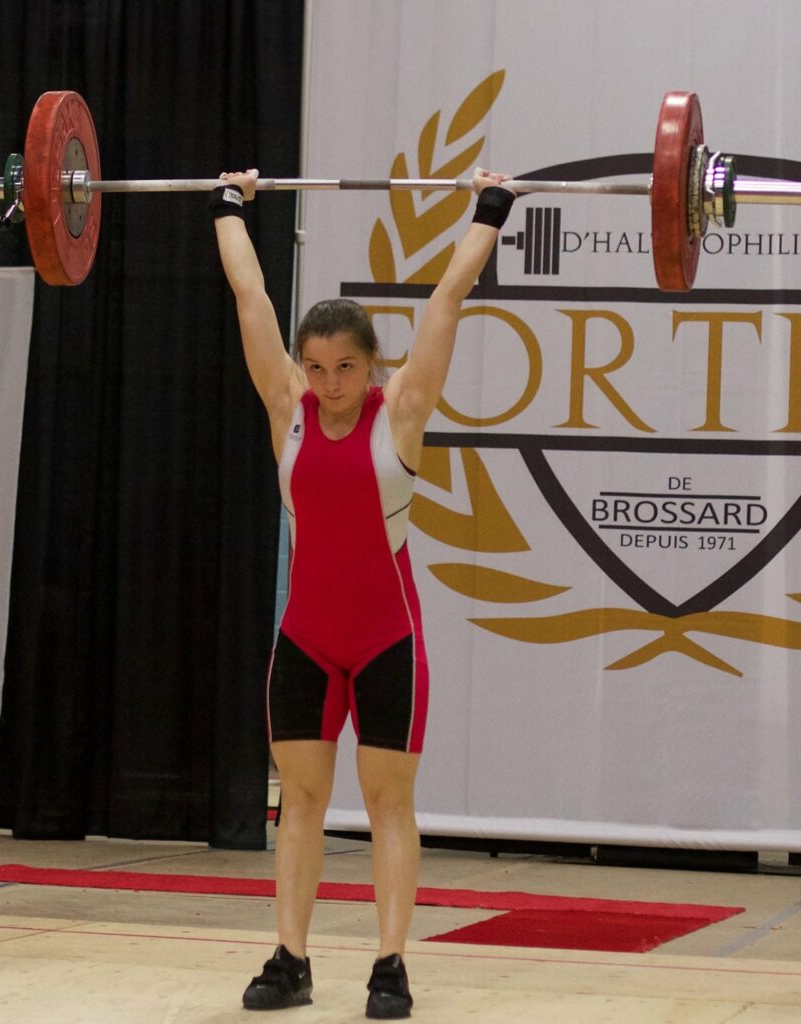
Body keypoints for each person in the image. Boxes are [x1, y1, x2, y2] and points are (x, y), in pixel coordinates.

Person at [211, 166, 515, 1019]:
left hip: (387, 641)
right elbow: (251, 299)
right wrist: (227, 206)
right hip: (305, 640)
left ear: (371, 364)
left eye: (345, 367)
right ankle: (290, 959)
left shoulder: (403, 411)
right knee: (299, 803)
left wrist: (489, 209)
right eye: (315, 366)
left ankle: (390, 968)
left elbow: (447, 304)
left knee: (389, 805)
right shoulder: (289, 409)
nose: (328, 382)